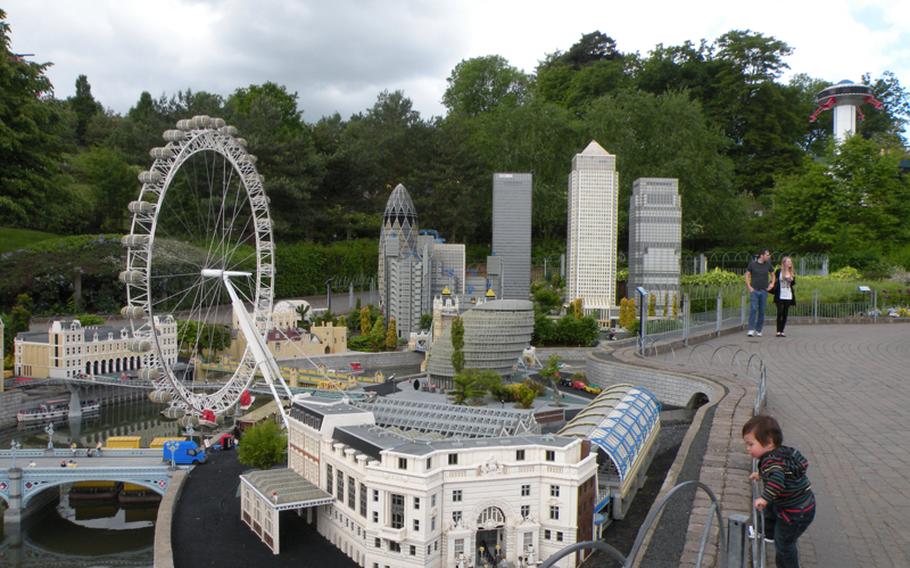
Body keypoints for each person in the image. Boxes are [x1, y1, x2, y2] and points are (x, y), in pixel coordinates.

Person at [742, 415, 815, 568]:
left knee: (784, 544)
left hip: (794, 512)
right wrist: (761, 474)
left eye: (750, 444)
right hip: (803, 503)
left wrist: (764, 498)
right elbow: (781, 472)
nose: (747, 449)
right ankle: (766, 532)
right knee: (772, 508)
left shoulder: (771, 461)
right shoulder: (781, 454)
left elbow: (777, 481)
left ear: (768, 443)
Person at [745, 250, 776, 337]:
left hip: (764, 290)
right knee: (754, 309)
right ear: (761, 255)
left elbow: (773, 275)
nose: (768, 256)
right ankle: (751, 329)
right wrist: (749, 287)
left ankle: (758, 329)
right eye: (767, 255)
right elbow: (747, 275)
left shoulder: (768, 264)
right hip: (754, 290)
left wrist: (772, 284)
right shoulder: (752, 264)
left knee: (762, 311)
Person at [772, 256, 797, 337]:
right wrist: (770, 285)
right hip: (780, 295)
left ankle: (782, 331)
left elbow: (793, 284)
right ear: (784, 263)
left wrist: (791, 280)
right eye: (788, 261)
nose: (790, 263)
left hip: (788, 295)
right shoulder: (779, 271)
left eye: (790, 262)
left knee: (785, 313)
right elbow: (774, 281)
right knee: (779, 312)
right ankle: (778, 331)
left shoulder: (792, 272)